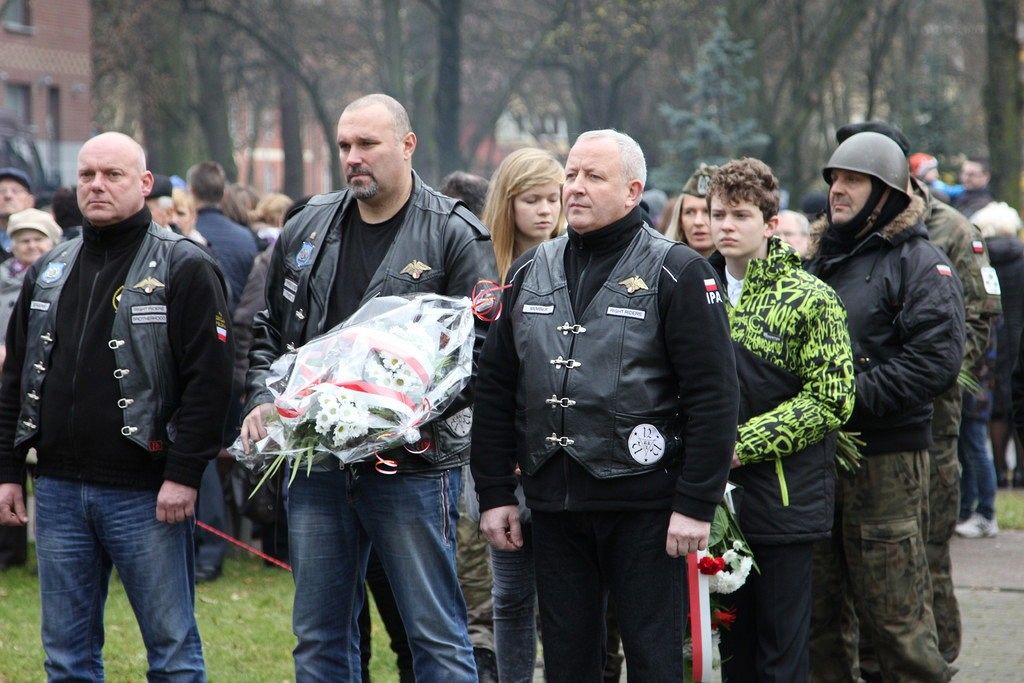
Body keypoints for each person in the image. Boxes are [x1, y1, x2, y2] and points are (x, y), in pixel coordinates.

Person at [241, 93, 496, 682]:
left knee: (435, 635)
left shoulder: (455, 233)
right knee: (319, 638)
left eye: (367, 144)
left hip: (410, 466)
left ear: (407, 146)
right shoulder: (307, 224)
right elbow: (268, 331)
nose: (353, 157)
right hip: (316, 464)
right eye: (344, 146)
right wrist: (262, 398)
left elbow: (481, 349)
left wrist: (392, 415)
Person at [472, 129, 738, 681]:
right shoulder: (528, 270)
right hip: (554, 507)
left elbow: (714, 397)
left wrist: (696, 503)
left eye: (593, 176)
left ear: (632, 190)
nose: (575, 187)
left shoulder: (678, 271)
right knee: (567, 663)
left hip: (647, 509)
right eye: (570, 174)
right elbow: (496, 387)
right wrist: (495, 492)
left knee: (653, 660)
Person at [0, 131, 233, 679]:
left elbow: (211, 383)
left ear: (145, 183)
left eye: (113, 175)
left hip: (147, 492)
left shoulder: (185, 265)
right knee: (66, 659)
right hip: (57, 489)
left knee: (172, 655)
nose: (97, 186)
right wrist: (7, 470)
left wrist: (184, 474)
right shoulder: (49, 269)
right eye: (87, 175)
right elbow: (14, 379)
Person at [836, 120, 1001, 666]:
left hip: (928, 427)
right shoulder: (836, 241)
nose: (841, 188)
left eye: (857, 175)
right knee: (863, 577)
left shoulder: (948, 231)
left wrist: (922, 384)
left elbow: (975, 324)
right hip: (856, 437)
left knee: (921, 561)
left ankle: (941, 657)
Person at [806, 131, 964, 682]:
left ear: (886, 193)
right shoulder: (818, 259)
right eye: (834, 180)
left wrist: (845, 399)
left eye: (853, 180)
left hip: (888, 462)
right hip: (818, 461)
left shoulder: (920, 262)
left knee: (896, 621)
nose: (838, 190)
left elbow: (936, 361)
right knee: (817, 620)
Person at [705, 158, 855, 681]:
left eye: (740, 215)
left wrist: (740, 444)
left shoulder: (811, 298)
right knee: (727, 652)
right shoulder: (695, 290)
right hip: (710, 501)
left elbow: (832, 398)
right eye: (718, 214)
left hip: (784, 501)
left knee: (780, 655)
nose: (725, 226)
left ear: (770, 224)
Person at [473, 146, 565, 683]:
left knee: (567, 594)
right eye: (532, 200)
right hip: (500, 450)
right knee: (509, 593)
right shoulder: (484, 270)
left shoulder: (573, 261)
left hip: (559, 445)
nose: (546, 210)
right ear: (507, 203)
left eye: (553, 198)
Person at [0, 207, 61, 571]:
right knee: (9, 463)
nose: (31, 246)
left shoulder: (63, 277)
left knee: (44, 468)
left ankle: (48, 548)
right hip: (8, 383)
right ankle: (9, 548)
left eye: (38, 239)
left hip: (45, 385)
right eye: (24, 240)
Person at [975, 201, 1024, 489]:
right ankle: (1021, 472)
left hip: (992, 339)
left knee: (996, 408)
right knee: (1018, 401)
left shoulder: (984, 260)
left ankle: (998, 468)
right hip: (1019, 336)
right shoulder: (1022, 258)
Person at [187, 161, 258, 312]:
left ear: (191, 191)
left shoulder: (185, 235)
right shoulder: (246, 237)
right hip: (235, 321)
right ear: (224, 193)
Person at [664, 163, 717, 257]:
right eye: (690, 212)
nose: (698, 222)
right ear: (680, 220)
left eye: (708, 211)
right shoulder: (661, 263)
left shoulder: (743, 264)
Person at [0, 167, 36, 258]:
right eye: (2, 191)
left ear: (30, 200)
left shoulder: (41, 239)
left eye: (15, 191)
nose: (8, 196)